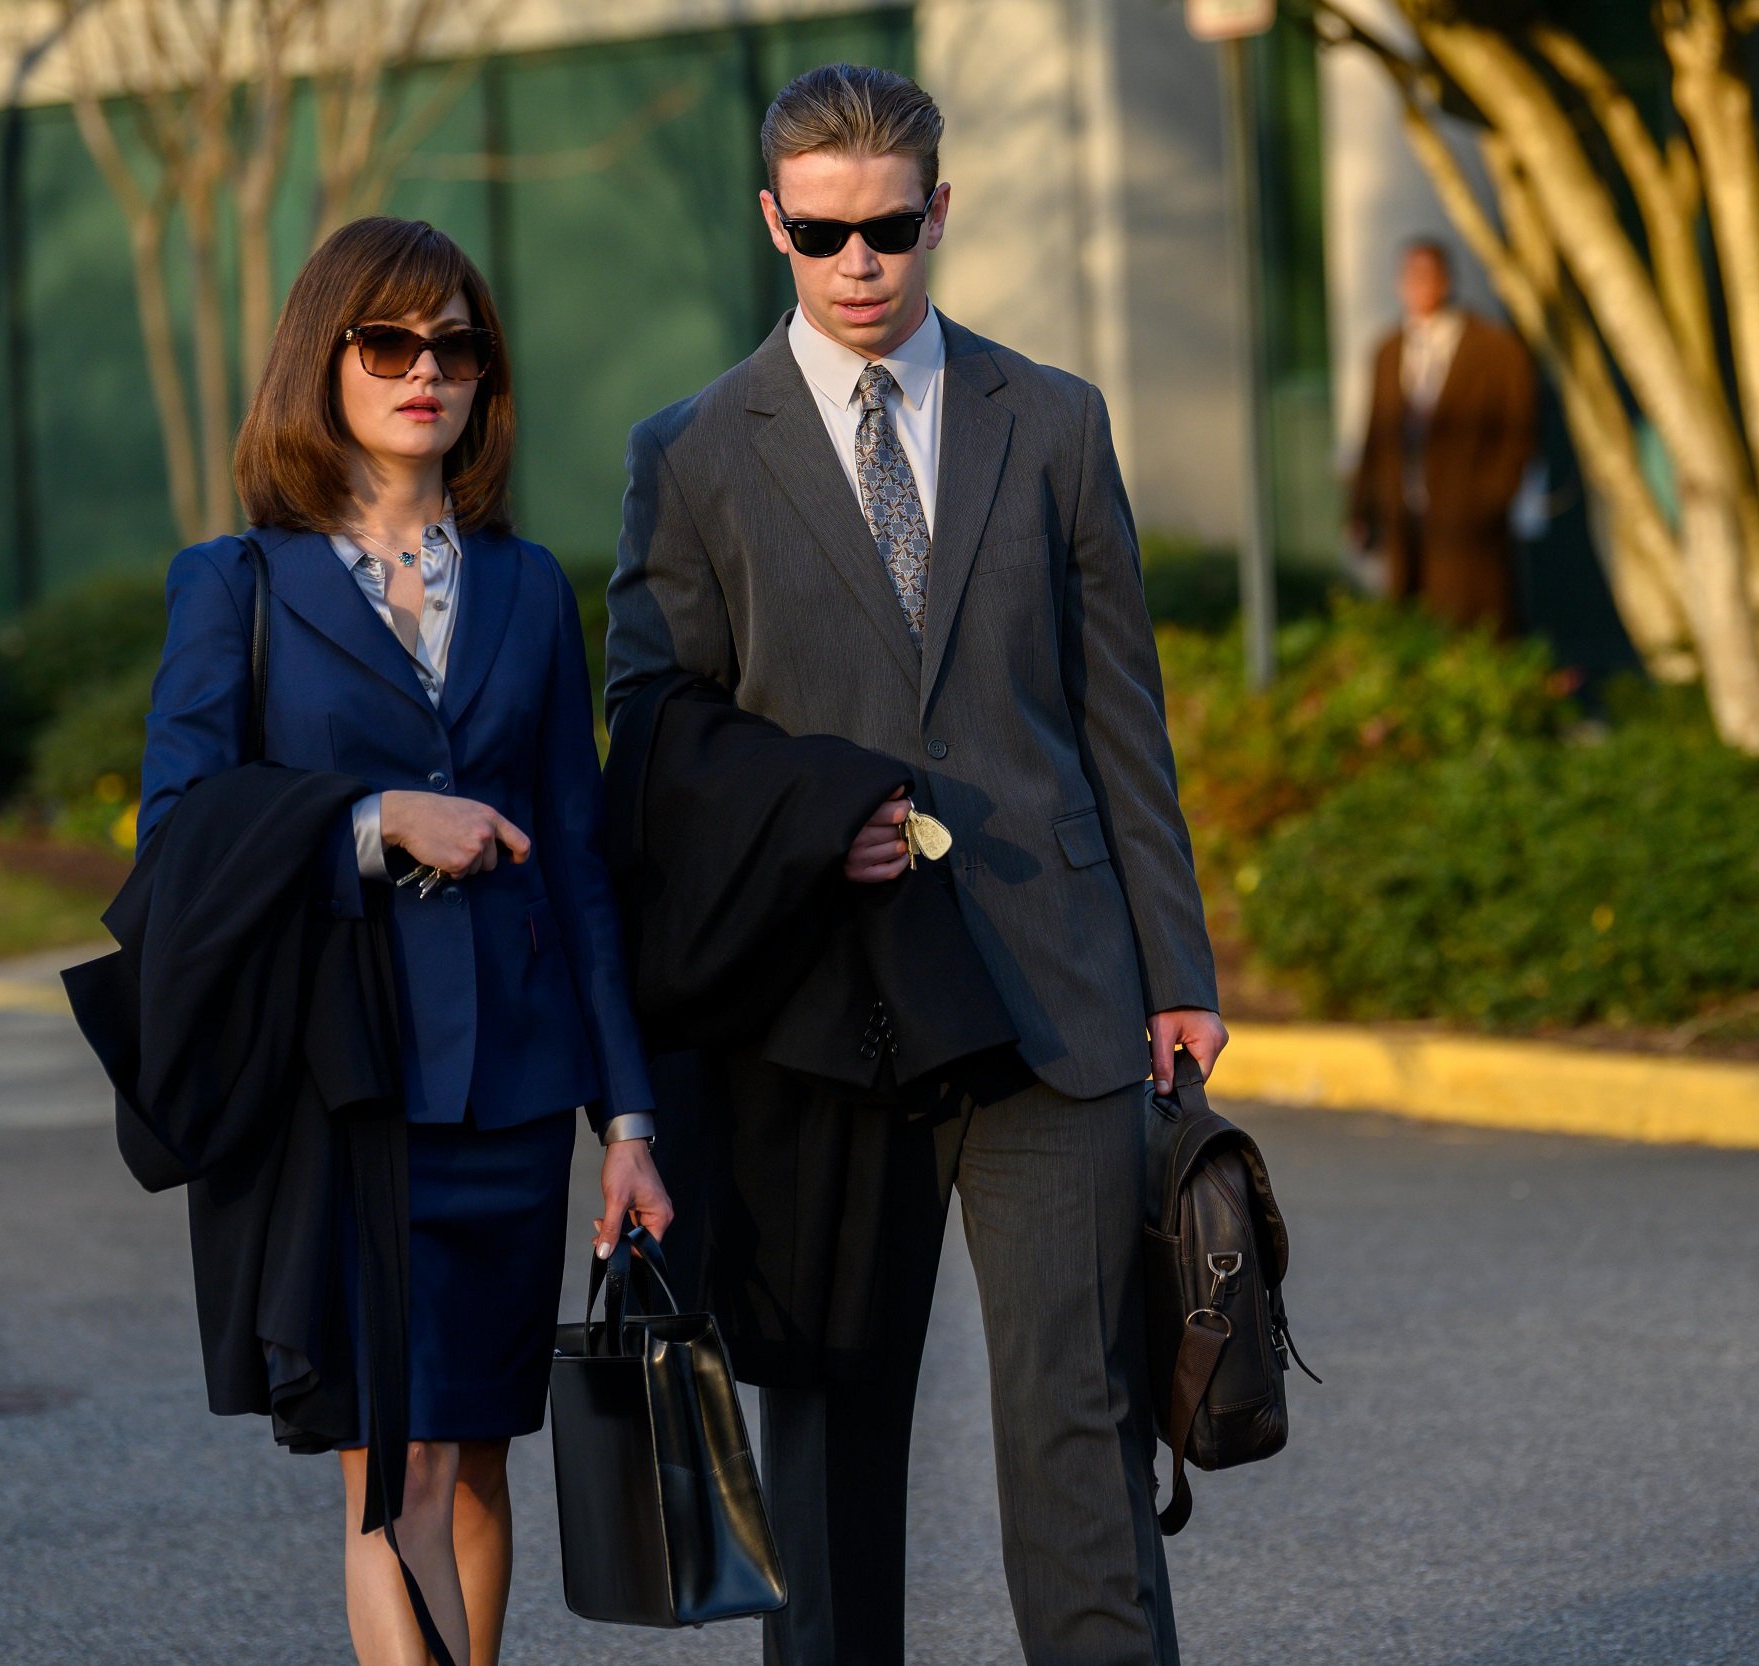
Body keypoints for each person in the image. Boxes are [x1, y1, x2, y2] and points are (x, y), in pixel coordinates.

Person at [607, 63, 1224, 1666]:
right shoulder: (691, 455)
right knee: (821, 1444)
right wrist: (816, 814)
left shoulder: (1058, 421)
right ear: (773, 225)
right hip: (823, 1012)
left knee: (1076, 1431)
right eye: (823, 235)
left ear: (939, 210)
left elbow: (1121, 724)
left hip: (1053, 990)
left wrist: (1180, 977)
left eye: (889, 227)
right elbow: (652, 727)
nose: (859, 265)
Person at [136, 215, 673, 1666]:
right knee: (399, 1466)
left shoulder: (525, 589)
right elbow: (178, 831)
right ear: (326, 359)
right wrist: (377, 820)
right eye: (388, 342)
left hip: (510, 1098)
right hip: (351, 1090)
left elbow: (579, 866)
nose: (423, 370)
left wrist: (626, 1118)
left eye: (454, 343)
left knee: (483, 1452)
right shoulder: (237, 586)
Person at [1346, 237, 1537, 633]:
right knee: (1413, 621)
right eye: (1411, 278)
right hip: (1406, 517)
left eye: (1427, 277)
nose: (1419, 288)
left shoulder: (1494, 349)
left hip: (1468, 521)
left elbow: (1520, 430)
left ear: (1446, 281)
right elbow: (1375, 433)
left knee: (1475, 620)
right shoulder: (1388, 350)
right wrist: (1361, 506)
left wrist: (1492, 496)